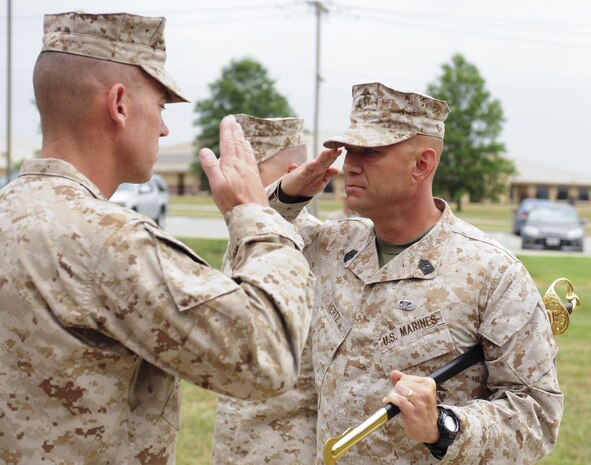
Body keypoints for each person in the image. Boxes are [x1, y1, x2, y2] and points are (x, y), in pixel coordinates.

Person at [0, 12, 315, 464]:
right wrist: (256, 214)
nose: (165, 129)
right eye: (163, 106)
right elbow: (267, 356)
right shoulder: (108, 242)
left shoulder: (11, 210)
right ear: (120, 104)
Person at [267, 82, 563, 464]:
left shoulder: (492, 273)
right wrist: (288, 196)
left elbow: (536, 417)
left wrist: (443, 425)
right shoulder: (334, 245)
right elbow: (258, 236)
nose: (350, 165)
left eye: (370, 152)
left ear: (422, 164)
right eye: (350, 150)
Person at [213, 114, 320, 465]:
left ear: (294, 175)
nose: (231, 183)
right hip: (234, 445)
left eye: (246, 172)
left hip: (288, 452)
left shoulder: (315, 245)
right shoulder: (244, 238)